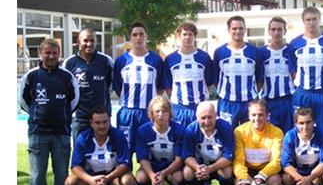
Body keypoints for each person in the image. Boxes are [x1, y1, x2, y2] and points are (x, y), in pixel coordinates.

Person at [19, 38, 79, 185]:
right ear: (41, 53)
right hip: (38, 132)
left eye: (54, 53)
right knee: (37, 171)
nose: (51, 56)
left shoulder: (67, 76)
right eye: (47, 53)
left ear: (59, 54)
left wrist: (62, 115)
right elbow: (23, 101)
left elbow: (74, 100)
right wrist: (38, 114)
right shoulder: (31, 76)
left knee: (61, 170)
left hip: (61, 131)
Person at [64, 106, 135, 185]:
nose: (102, 126)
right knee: (69, 183)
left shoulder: (118, 135)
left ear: (109, 121)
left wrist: (108, 178)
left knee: (128, 181)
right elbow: (75, 166)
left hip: (112, 178)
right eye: (97, 123)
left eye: (105, 122)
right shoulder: (83, 138)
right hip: (91, 179)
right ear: (91, 123)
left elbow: (125, 164)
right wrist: (90, 179)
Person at [113, 22, 165, 160]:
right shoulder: (121, 61)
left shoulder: (156, 60)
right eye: (134, 35)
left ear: (146, 36)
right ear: (130, 38)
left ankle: (147, 180)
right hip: (127, 113)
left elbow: (159, 87)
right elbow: (118, 86)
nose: (138, 38)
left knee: (148, 152)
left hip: (148, 114)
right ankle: (126, 180)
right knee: (125, 151)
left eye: (141, 34)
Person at [289, 6, 323, 132]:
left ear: (319, 20)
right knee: (301, 130)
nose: (311, 22)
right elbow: (293, 71)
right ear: (303, 21)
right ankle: (301, 152)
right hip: (303, 93)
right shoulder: (295, 43)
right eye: (308, 20)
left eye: (314, 19)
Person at [135, 97, 186, 185]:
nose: (160, 115)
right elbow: (142, 158)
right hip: (153, 166)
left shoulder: (179, 130)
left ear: (170, 113)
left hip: (173, 167)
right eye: (157, 111)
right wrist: (152, 175)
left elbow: (179, 159)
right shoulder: (143, 131)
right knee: (141, 177)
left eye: (164, 111)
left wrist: (164, 173)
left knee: (179, 177)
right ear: (151, 114)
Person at [63, 28, 113, 143]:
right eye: (85, 40)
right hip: (79, 119)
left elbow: (111, 86)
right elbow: (66, 90)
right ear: (78, 42)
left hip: (102, 118)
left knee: (103, 154)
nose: (89, 44)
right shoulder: (69, 63)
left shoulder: (106, 61)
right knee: (80, 154)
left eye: (92, 40)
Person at [182, 101, 236, 185]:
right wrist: (197, 168)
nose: (207, 122)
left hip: (219, 165)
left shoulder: (225, 128)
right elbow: (187, 155)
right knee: (187, 172)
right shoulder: (191, 130)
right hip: (201, 166)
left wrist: (210, 169)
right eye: (203, 118)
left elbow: (229, 157)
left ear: (216, 116)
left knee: (227, 170)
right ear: (197, 117)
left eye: (210, 117)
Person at [233, 99, 283, 185]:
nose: (257, 118)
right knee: (240, 184)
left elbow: (276, 162)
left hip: (266, 171)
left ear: (267, 116)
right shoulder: (239, 131)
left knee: (275, 184)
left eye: (261, 115)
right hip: (248, 169)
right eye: (253, 115)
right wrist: (243, 178)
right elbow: (238, 161)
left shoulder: (276, 132)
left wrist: (262, 176)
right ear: (249, 116)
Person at [213, 16, 264, 127]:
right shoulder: (219, 52)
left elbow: (259, 79)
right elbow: (216, 78)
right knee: (227, 134)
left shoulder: (255, 52)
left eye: (241, 28)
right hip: (227, 102)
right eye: (234, 28)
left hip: (249, 102)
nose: (238, 31)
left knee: (250, 136)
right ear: (229, 30)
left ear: (245, 29)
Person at [163, 22, 214, 128]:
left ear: (195, 36)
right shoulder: (170, 59)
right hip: (179, 109)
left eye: (190, 34)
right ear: (178, 36)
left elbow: (208, 83)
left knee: (199, 140)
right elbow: (168, 87)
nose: (187, 37)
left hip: (199, 108)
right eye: (184, 34)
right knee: (180, 140)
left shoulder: (204, 57)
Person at [281, 107, 323, 185]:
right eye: (301, 123)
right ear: (296, 124)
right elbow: (286, 164)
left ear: (314, 122)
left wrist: (310, 178)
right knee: (286, 178)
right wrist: (302, 180)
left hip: (316, 173)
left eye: (308, 122)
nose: (305, 126)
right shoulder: (290, 136)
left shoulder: (322, 134)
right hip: (299, 172)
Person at [260, 17, 295, 132]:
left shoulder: (291, 50)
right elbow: (258, 79)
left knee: (289, 134)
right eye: (273, 29)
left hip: (288, 101)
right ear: (269, 31)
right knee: (271, 136)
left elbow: (295, 75)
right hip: (269, 102)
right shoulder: (261, 53)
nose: (276, 33)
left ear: (285, 31)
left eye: (279, 29)